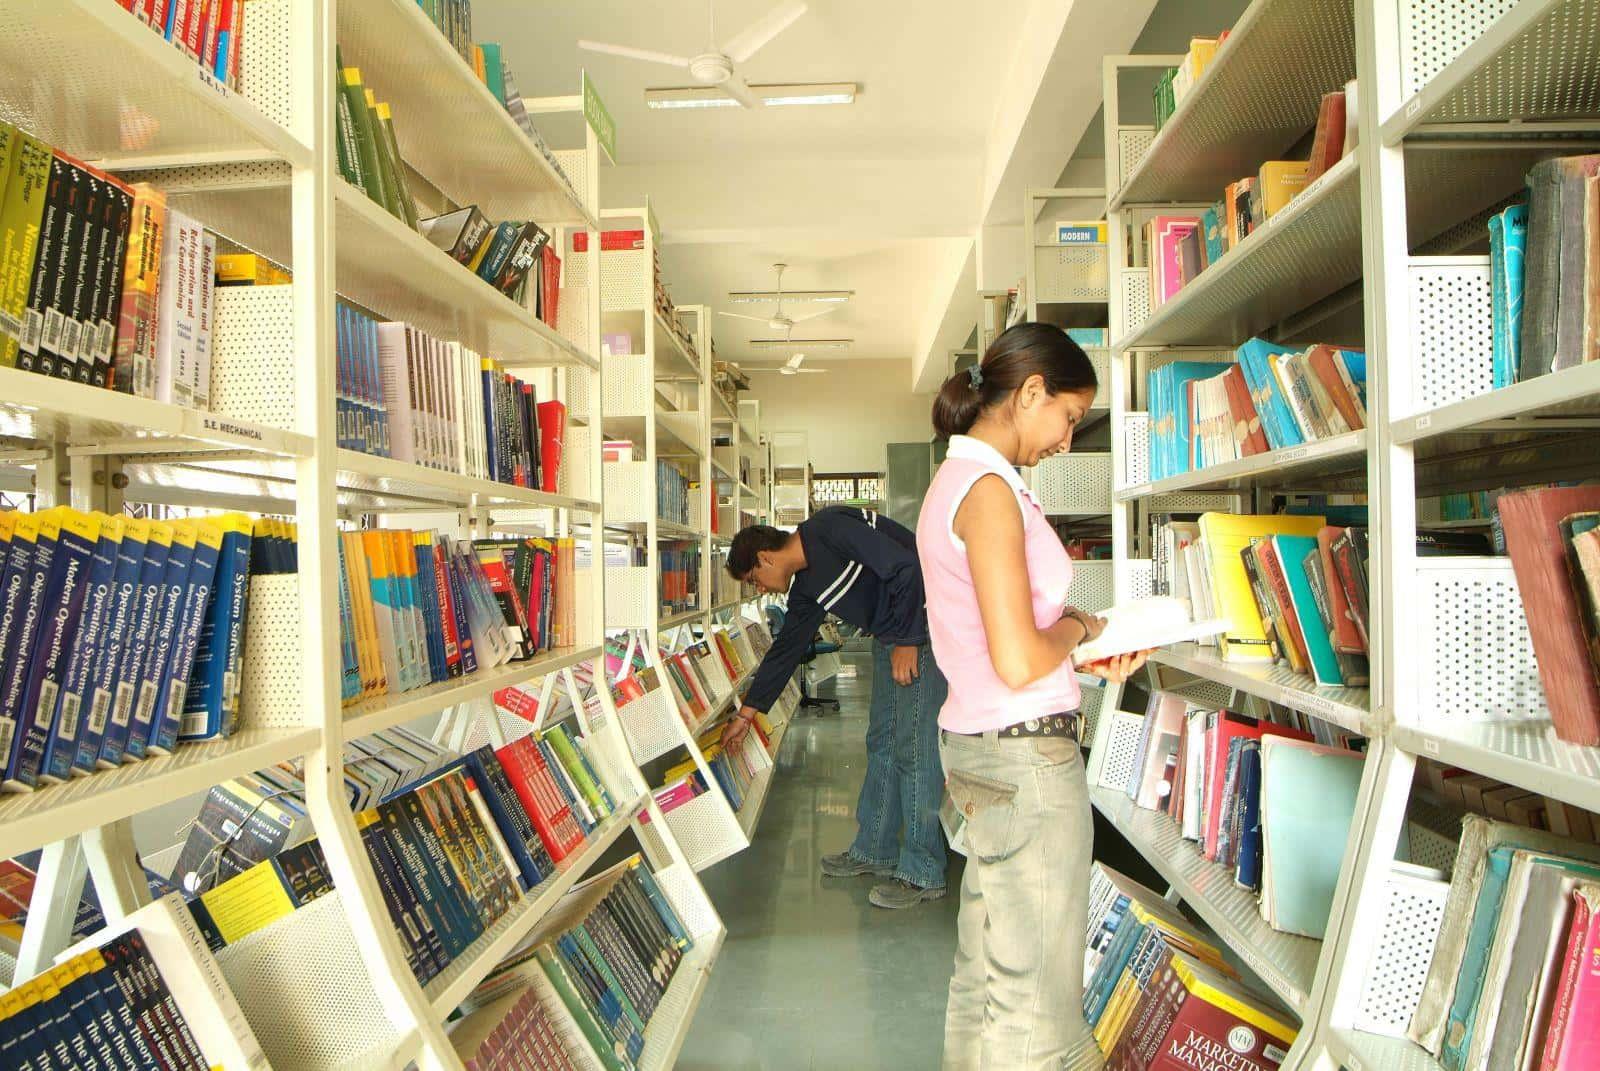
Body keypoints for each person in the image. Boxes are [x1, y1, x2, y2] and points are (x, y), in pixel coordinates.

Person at [919, 323, 1150, 1069]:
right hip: (1025, 765)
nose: (1067, 440)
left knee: (986, 975)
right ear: (1028, 394)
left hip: (979, 751)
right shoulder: (988, 492)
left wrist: (1079, 656)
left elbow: (998, 645)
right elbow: (1020, 657)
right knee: (1040, 1012)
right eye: (1069, 417)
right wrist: (1082, 627)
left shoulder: (958, 481)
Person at [722, 505, 950, 908]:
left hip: (923, 629)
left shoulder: (828, 530)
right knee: (881, 742)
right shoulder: (807, 587)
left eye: (753, 579)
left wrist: (910, 641)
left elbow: (906, 566)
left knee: (914, 748)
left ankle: (923, 872)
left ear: (764, 557)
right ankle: (874, 849)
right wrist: (748, 712)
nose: (759, 589)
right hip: (891, 636)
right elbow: (788, 647)